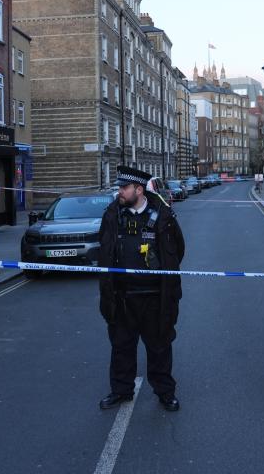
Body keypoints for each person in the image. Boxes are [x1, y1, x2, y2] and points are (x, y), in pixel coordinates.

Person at [98, 165, 185, 412]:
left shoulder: (164, 216)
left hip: (155, 298)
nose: (119, 193)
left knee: (159, 347)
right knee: (121, 347)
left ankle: (165, 392)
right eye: (119, 188)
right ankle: (121, 390)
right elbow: (104, 248)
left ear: (139, 189)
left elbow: (177, 250)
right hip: (122, 297)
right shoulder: (112, 215)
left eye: (123, 188)